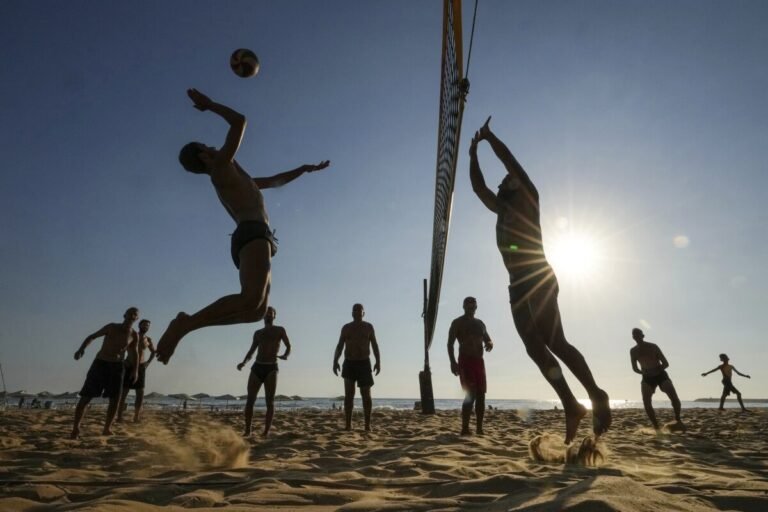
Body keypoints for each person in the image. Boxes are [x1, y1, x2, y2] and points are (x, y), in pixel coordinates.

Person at [155, 88, 330, 364]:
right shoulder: (221, 168)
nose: (214, 146)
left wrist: (303, 169)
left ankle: (187, 324)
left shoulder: (234, 173)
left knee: (256, 312)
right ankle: (184, 324)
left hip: (256, 237)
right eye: (207, 146)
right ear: (203, 156)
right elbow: (240, 122)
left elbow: (274, 181)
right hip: (252, 234)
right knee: (250, 298)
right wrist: (211, 105)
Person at [468, 117, 610, 443]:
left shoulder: (530, 196)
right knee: (535, 348)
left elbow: (511, 164)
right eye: (503, 181)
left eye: (507, 180)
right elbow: (478, 187)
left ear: (517, 184)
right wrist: (472, 154)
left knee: (556, 342)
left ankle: (596, 394)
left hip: (538, 277)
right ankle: (571, 405)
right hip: (517, 284)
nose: (503, 182)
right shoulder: (501, 209)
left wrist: (490, 138)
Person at [71, 307, 139, 438]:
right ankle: (76, 428)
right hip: (101, 363)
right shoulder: (112, 327)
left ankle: (107, 428)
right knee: (86, 396)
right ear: (124, 315)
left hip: (118, 366)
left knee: (115, 399)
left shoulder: (134, 335)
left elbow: (134, 353)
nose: (132, 316)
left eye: (134, 315)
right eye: (130, 313)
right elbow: (92, 336)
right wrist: (81, 349)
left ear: (136, 318)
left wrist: (135, 371)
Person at [236, 306, 292, 436]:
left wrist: (286, 355)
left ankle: (266, 431)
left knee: (270, 401)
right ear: (262, 316)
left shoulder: (280, 330)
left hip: (271, 367)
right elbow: (252, 351)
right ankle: (247, 430)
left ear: (274, 316)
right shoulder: (258, 333)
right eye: (266, 313)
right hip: (257, 366)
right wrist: (244, 362)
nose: (268, 315)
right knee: (250, 400)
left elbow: (289, 345)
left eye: (270, 313)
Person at [447, 296, 494, 435]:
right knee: (470, 394)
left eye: (473, 306)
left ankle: (479, 428)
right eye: (468, 306)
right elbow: (450, 343)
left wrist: (490, 343)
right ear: (463, 307)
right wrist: (452, 362)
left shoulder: (480, 324)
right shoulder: (457, 322)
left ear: (476, 307)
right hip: (465, 361)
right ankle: (465, 429)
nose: (471, 308)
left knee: (481, 395)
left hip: (479, 362)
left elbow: (488, 338)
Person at [333, 304, 381, 431]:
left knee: (366, 395)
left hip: (364, 363)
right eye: (355, 310)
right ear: (352, 313)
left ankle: (367, 425)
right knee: (349, 395)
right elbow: (339, 346)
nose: (357, 312)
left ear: (363, 313)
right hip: (349, 363)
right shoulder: (346, 328)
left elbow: (375, 345)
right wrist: (335, 361)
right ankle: (348, 424)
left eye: (360, 310)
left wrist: (378, 362)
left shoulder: (368, 327)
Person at [629, 328, 684, 431]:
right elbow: (634, 368)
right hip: (647, 377)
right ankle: (656, 426)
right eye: (634, 335)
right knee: (646, 402)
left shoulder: (653, 346)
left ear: (643, 336)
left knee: (674, 397)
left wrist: (658, 369)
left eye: (638, 334)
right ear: (633, 337)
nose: (637, 336)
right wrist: (642, 372)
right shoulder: (633, 351)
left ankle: (678, 418)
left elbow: (666, 363)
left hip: (660, 375)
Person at [117, 319, 155, 423]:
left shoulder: (148, 340)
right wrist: (122, 360)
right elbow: (122, 347)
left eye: (147, 326)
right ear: (139, 325)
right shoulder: (133, 335)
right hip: (129, 365)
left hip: (142, 366)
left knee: (140, 393)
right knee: (124, 392)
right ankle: (119, 416)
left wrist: (148, 363)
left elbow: (153, 352)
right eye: (144, 325)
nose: (146, 327)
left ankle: (136, 417)